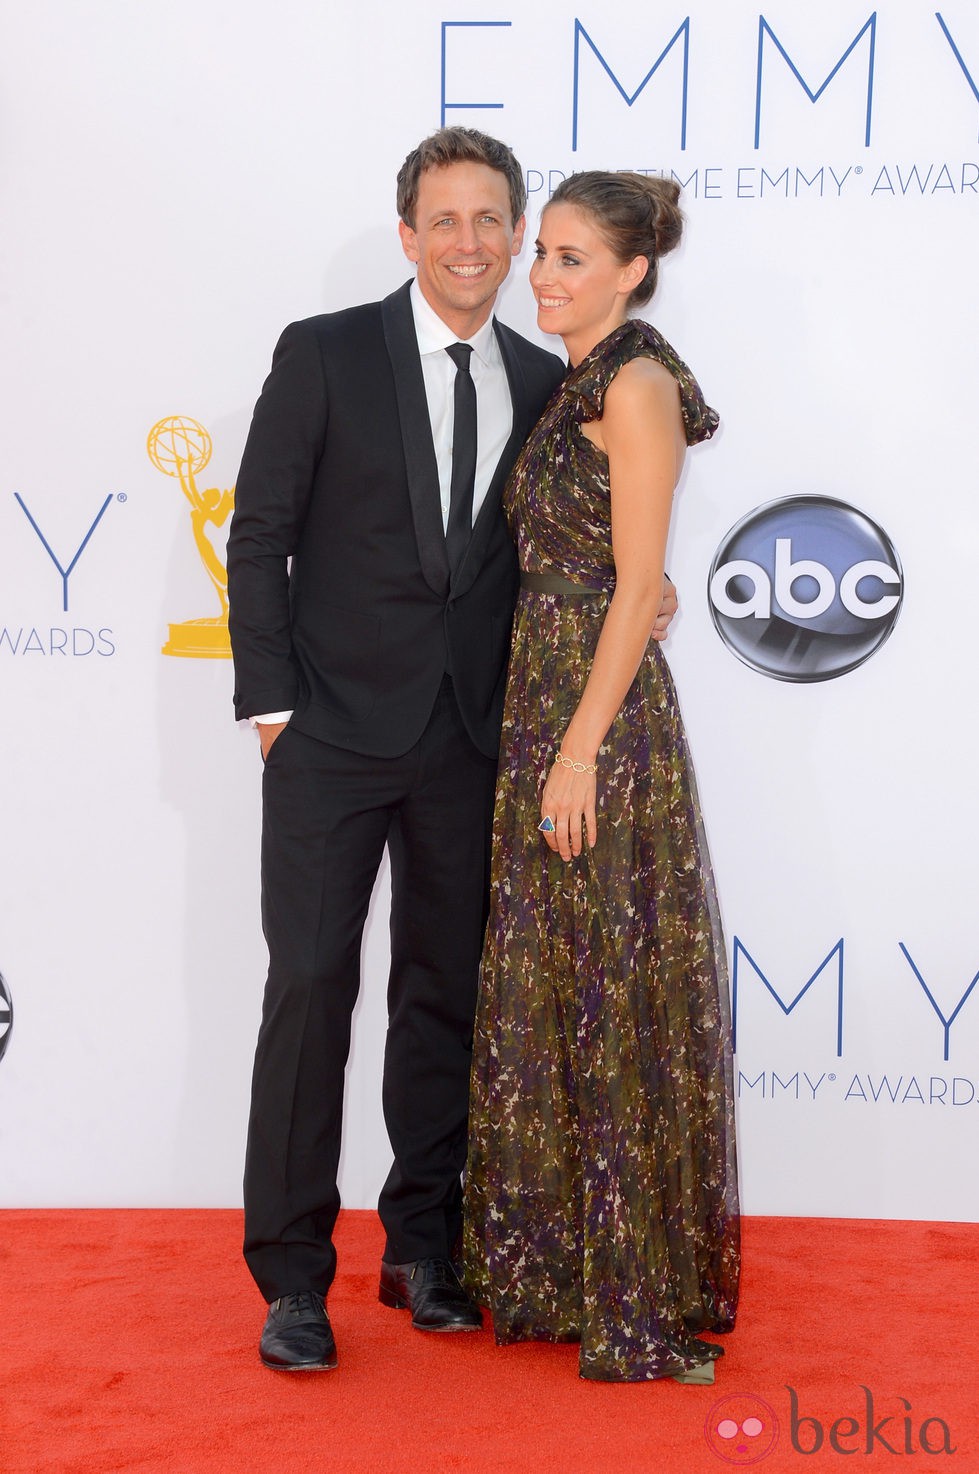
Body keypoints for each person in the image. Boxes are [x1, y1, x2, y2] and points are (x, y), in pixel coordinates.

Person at [226, 128, 679, 1372]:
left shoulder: (549, 379)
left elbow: (580, 541)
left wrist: (648, 588)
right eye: (447, 220)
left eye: (495, 220)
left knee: (445, 997)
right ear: (407, 233)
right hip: (324, 735)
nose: (473, 244)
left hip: (473, 739)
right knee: (310, 990)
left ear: (514, 230)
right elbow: (257, 534)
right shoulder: (320, 354)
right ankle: (292, 1278)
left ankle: (424, 1243)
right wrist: (270, 710)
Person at [463, 171, 740, 1383]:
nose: (543, 276)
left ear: (631, 270)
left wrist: (577, 748)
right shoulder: (579, 375)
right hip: (548, 704)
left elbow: (637, 583)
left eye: (571, 259)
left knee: (606, 986)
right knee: (555, 979)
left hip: (597, 729)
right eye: (544, 255)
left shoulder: (632, 384)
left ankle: (631, 1299)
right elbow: (609, 567)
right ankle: (562, 1266)